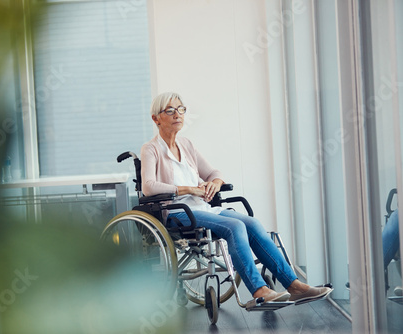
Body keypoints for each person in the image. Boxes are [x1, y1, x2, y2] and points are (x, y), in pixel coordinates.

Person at [141, 92, 332, 304]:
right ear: (156, 118)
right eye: (170, 110)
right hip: (178, 213)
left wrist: (215, 183)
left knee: (251, 222)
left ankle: (294, 285)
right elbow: (148, 187)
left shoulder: (186, 145)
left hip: (202, 209)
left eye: (181, 109)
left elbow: (214, 172)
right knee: (235, 226)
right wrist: (189, 189)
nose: (178, 114)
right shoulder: (151, 149)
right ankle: (259, 290)